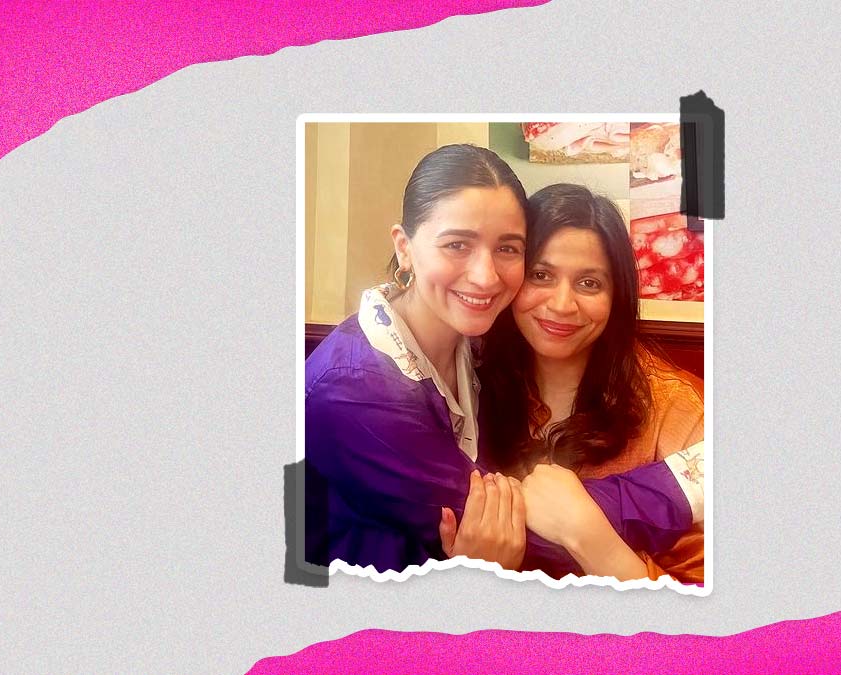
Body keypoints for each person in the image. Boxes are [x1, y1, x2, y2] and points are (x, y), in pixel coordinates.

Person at [294, 145, 701, 575]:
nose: (485, 276)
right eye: (457, 244)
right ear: (404, 247)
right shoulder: (352, 389)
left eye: (507, 248)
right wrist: (688, 483)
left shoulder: (477, 353)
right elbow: (516, 523)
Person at [479, 183, 707, 582]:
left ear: (616, 294)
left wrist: (589, 535)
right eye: (541, 275)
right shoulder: (471, 385)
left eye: (589, 283)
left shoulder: (677, 410)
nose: (561, 305)